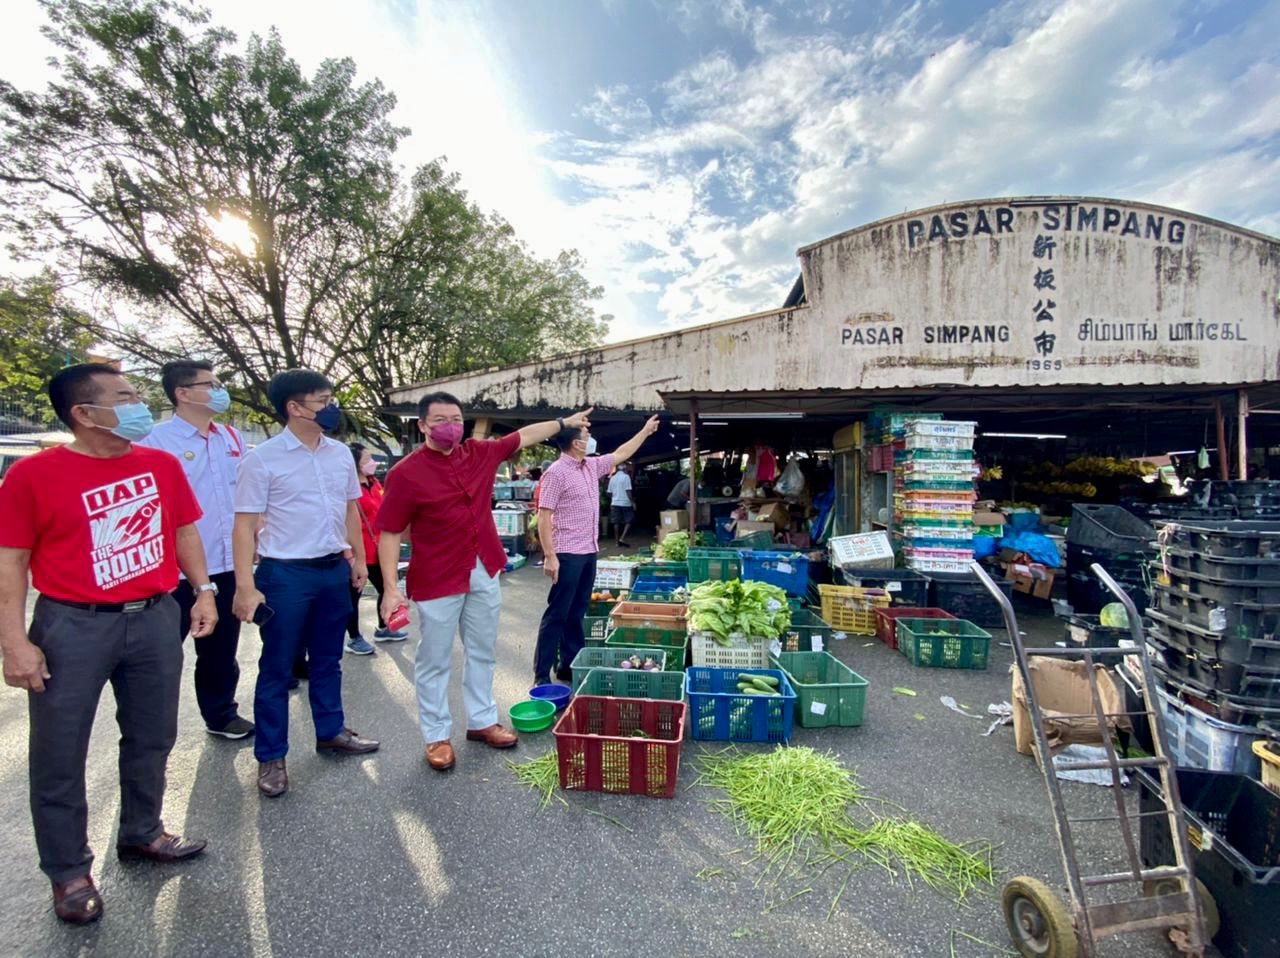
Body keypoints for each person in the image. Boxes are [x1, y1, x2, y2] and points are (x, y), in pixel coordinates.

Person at [0, 364, 215, 925]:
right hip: (72, 624)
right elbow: (12, 563)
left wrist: (203, 592)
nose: (139, 405)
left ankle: (142, 832)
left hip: (152, 618)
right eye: (124, 397)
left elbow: (184, 530)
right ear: (84, 413)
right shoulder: (32, 476)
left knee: (153, 736)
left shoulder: (160, 465)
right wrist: (14, 644)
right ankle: (69, 871)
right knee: (60, 752)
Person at [376, 393, 593, 772]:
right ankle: (437, 736)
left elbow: (524, 436)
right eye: (440, 419)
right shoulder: (405, 473)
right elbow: (390, 532)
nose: (451, 426)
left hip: (483, 566)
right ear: (423, 425)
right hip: (438, 575)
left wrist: (563, 423)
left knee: (482, 650)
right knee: (434, 659)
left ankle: (481, 720)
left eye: (456, 418)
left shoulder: (478, 453)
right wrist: (391, 587)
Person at [231, 370, 378, 799]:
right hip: (285, 574)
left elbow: (351, 511)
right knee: (277, 668)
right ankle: (271, 756)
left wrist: (357, 561)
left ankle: (331, 730)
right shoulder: (262, 460)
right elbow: (243, 529)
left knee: (329, 660)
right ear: (295, 408)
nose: (332, 407)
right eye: (322, 400)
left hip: (334, 569)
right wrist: (245, 586)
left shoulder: (337, 455)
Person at [137, 360, 253, 740]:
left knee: (220, 652)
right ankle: (149, 732)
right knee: (161, 656)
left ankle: (220, 715)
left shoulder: (231, 438)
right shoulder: (153, 442)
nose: (219, 390)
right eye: (210, 384)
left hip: (225, 563)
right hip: (174, 569)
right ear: (182, 394)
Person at [533, 417, 659, 685]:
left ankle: (569, 665)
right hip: (567, 553)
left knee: (578, 611)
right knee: (557, 614)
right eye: (587, 434)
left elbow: (622, 452)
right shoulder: (556, 473)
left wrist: (645, 431)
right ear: (576, 443)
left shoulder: (590, 466)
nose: (591, 438)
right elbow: (544, 516)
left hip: (589, 551)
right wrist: (550, 555)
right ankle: (541, 674)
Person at [345, 442, 406, 652]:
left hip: (379, 549)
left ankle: (384, 628)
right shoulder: (351, 489)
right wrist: (352, 555)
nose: (372, 463)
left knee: (386, 589)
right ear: (355, 464)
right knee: (353, 598)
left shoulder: (375, 484)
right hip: (358, 552)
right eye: (366, 460)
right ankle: (354, 638)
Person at [607, 461, 636, 548]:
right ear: (624, 468)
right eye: (627, 467)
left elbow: (609, 492)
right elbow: (628, 491)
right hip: (625, 502)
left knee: (616, 522)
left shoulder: (612, 478)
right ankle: (622, 538)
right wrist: (633, 502)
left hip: (615, 503)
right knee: (629, 520)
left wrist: (614, 498)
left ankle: (616, 542)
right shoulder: (626, 477)